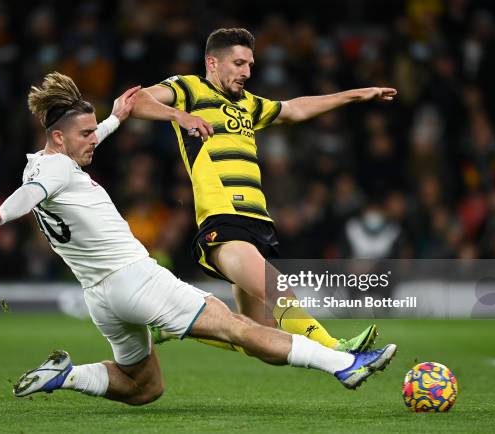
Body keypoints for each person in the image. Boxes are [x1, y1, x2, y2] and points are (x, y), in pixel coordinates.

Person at [0, 72, 396, 403]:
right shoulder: (55, 171)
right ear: (59, 138)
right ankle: (343, 364)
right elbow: (30, 195)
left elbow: (68, 155)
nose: (93, 141)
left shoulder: (42, 161)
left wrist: (117, 116)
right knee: (239, 328)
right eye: (85, 135)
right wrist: (0, 214)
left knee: (144, 387)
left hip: (100, 298)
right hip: (136, 279)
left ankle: (68, 375)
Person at [130, 28, 398, 353]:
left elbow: (295, 109)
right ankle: (340, 351)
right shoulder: (188, 88)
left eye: (250, 65)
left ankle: (170, 326)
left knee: (258, 336)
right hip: (223, 221)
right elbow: (135, 101)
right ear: (212, 62)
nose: (246, 72)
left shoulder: (248, 105)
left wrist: (357, 95)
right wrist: (179, 115)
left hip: (257, 223)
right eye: (239, 63)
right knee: (279, 291)